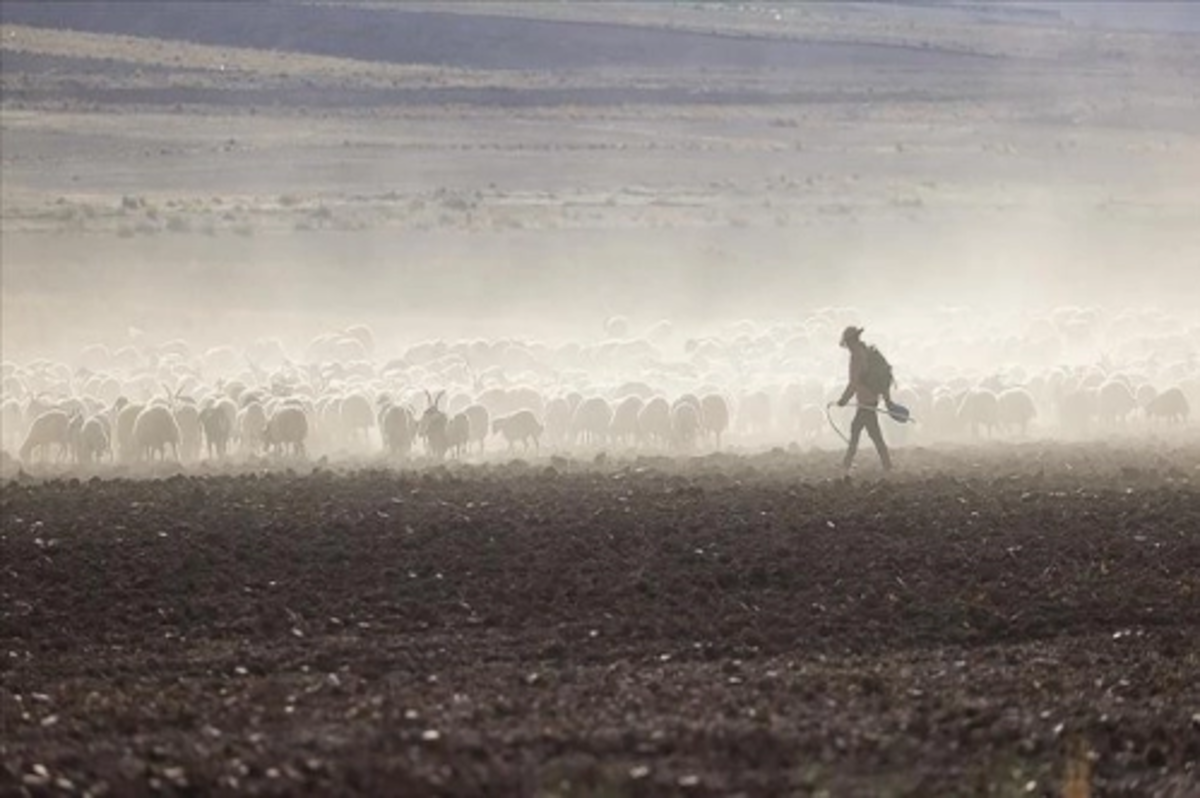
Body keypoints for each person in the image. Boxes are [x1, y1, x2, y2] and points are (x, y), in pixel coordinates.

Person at [836, 326, 893, 472]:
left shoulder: (856, 356)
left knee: (862, 431)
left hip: (865, 399)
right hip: (871, 397)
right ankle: (885, 464)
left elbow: (854, 382)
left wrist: (844, 399)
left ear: (850, 342)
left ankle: (847, 464)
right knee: (866, 431)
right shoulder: (865, 351)